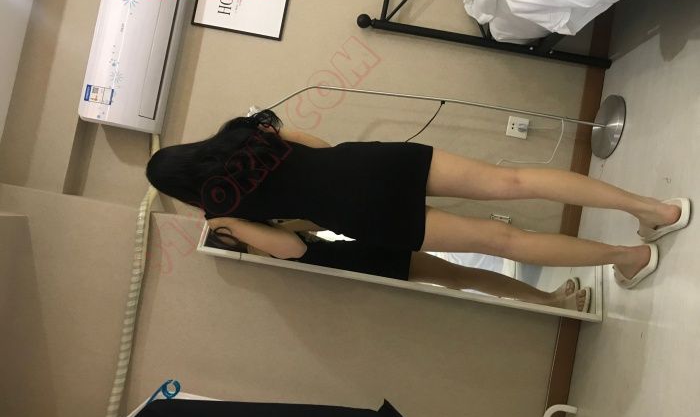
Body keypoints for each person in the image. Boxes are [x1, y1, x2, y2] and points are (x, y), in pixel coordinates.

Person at [146, 110, 691, 290]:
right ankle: (656, 210)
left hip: (365, 214)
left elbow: (291, 249)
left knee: (504, 240)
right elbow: (321, 146)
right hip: (372, 163)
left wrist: (274, 219)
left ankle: (631, 257)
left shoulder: (222, 212)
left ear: (182, 190)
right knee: (515, 181)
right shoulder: (244, 133)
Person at [205, 221, 591, 311]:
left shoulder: (270, 234)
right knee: (460, 278)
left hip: (369, 255)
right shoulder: (269, 251)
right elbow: (297, 241)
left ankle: (547, 299)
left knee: (460, 276)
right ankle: (549, 302)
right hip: (370, 266)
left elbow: (317, 222)